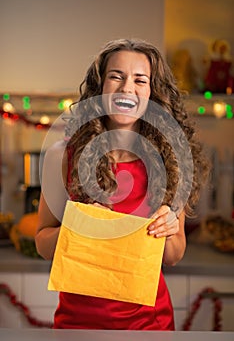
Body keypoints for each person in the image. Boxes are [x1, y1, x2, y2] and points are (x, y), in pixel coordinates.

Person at [35, 38, 209, 330]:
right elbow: (42, 242)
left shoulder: (171, 162)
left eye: (140, 80)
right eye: (116, 76)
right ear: (99, 87)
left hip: (149, 326)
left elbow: (174, 255)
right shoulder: (61, 157)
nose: (127, 88)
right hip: (77, 326)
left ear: (153, 93)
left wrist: (166, 231)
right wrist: (77, 229)